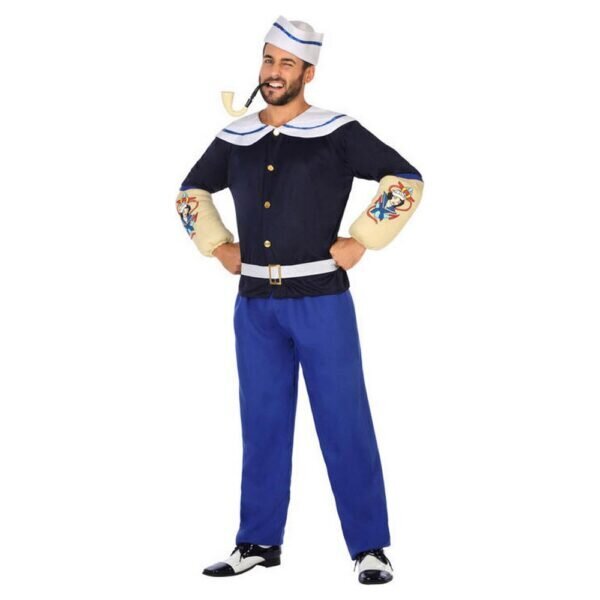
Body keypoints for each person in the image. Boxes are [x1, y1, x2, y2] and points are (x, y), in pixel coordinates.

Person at [175, 15, 424, 585]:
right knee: (261, 421)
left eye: (286, 63)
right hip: (254, 303)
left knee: (343, 419)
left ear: (308, 73)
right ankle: (258, 541)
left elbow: (406, 179)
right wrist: (218, 246)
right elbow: (189, 191)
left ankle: (370, 548)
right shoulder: (236, 136)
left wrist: (362, 239)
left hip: (322, 301)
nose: (274, 72)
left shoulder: (337, 132)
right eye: (268, 60)